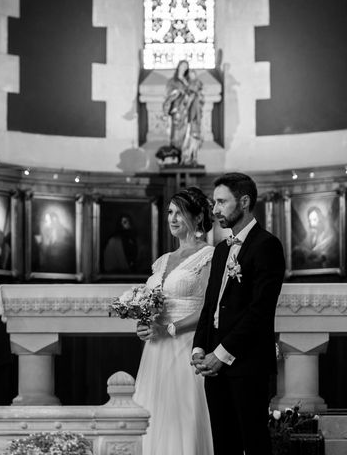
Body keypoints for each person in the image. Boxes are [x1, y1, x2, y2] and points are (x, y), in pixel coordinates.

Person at [191, 172, 285, 455]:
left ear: (244, 202)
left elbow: (260, 311)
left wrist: (220, 354)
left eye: (221, 202)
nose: (215, 209)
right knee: (223, 443)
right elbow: (210, 305)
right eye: (213, 203)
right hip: (213, 363)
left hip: (247, 362)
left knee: (254, 442)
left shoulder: (267, 245)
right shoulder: (221, 250)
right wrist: (199, 347)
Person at [133, 186, 215, 455]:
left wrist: (170, 327)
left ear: (198, 216)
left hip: (187, 344)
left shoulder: (209, 255)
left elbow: (208, 308)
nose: (172, 218)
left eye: (179, 213)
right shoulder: (162, 261)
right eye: (170, 212)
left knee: (183, 414)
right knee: (154, 413)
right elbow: (150, 303)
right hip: (156, 348)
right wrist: (144, 323)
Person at [162, 61, 204, 163]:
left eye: (186, 67)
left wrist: (192, 94)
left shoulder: (188, 81)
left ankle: (186, 158)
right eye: (182, 66)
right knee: (176, 135)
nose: (184, 68)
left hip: (188, 112)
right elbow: (169, 94)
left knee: (188, 134)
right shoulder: (172, 81)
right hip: (177, 111)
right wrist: (178, 92)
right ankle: (175, 156)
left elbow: (195, 93)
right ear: (178, 67)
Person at [292, 205, 338, 269]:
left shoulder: (330, 237)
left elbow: (332, 257)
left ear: (320, 220)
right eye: (310, 220)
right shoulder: (311, 236)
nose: (311, 224)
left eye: (314, 220)